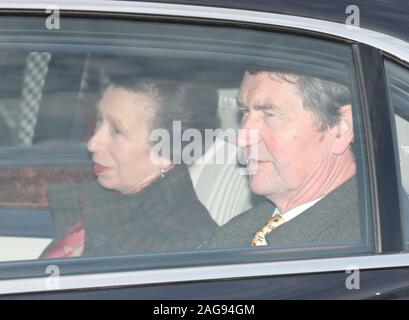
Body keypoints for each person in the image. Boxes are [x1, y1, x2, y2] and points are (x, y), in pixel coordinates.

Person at [41, 76, 220, 258]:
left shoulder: (183, 246)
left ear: (166, 152)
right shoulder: (108, 204)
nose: (93, 143)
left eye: (117, 130)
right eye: (99, 119)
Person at [204, 69, 361, 249]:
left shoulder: (355, 248)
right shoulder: (243, 229)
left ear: (341, 128)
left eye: (270, 115)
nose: (242, 138)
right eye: (245, 112)